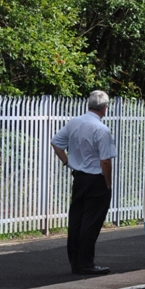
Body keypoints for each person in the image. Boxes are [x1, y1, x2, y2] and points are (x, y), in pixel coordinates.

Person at [51, 90, 117, 275]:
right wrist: (108, 183)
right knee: (91, 222)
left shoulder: (74, 122)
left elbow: (56, 142)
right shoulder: (101, 129)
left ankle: (76, 262)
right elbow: (105, 160)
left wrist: (67, 162)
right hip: (96, 179)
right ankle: (86, 263)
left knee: (77, 220)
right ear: (105, 108)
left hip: (78, 176)